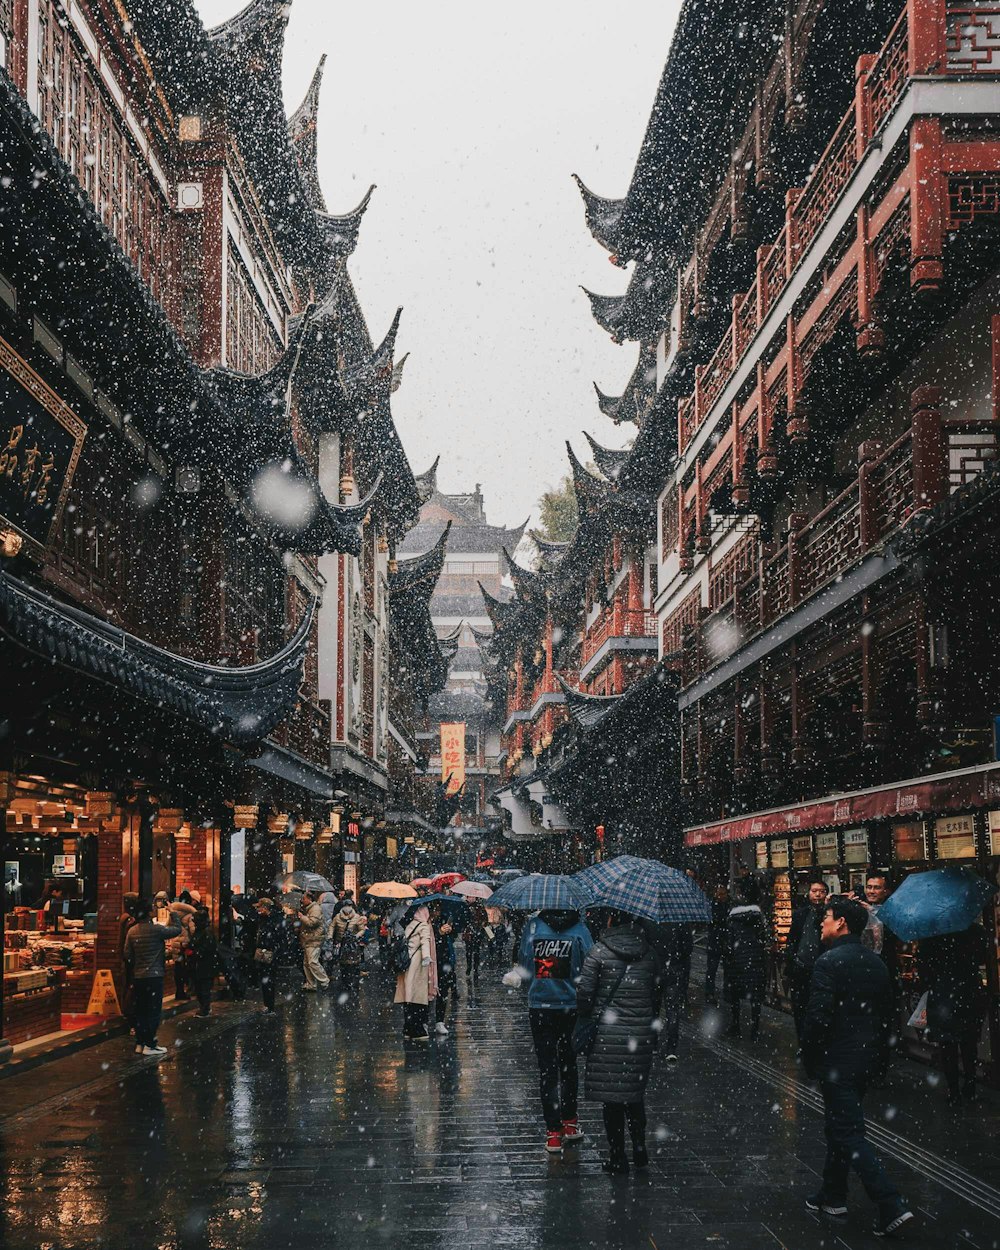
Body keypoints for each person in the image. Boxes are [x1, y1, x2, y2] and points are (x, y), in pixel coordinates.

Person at [801, 896, 913, 1238]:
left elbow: (817, 1018)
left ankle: (889, 1201)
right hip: (866, 1060)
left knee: (848, 1132)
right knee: (841, 1126)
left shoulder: (828, 963)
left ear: (842, 924)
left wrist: (810, 1056)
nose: (822, 923)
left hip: (838, 1061)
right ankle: (832, 1195)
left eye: (828, 917)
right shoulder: (876, 964)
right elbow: (887, 1018)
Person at [575, 910, 662, 1175]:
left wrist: (587, 1013)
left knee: (612, 1099)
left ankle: (617, 1155)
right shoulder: (651, 953)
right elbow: (657, 993)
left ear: (610, 920)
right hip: (640, 1034)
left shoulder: (598, 952)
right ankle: (639, 1148)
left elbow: (585, 995)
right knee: (634, 1095)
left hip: (607, 1035)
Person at [510, 908, 593, 1153]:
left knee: (547, 1068)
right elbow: (589, 963)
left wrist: (535, 983)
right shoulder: (579, 928)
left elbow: (525, 963)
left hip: (541, 1006)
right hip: (570, 1006)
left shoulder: (535, 927)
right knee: (568, 1064)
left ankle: (552, 1133)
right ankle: (569, 1121)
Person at [917, 923, 988, 1105]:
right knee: (968, 1041)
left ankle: (953, 1090)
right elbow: (983, 958)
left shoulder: (931, 934)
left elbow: (923, 966)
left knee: (947, 1044)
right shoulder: (975, 931)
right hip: (970, 990)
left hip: (943, 993)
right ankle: (970, 1084)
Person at [123, 899, 181, 1056]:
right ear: (149, 913)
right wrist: (173, 911)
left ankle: (140, 1043)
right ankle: (150, 1044)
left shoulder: (132, 931)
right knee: (153, 1011)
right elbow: (177, 930)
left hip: (139, 976)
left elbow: (127, 954)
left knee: (141, 1010)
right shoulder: (157, 930)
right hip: (154, 976)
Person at [722, 881, 767, 1040]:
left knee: (735, 996)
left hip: (737, 962)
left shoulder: (733, 919)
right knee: (755, 997)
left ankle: (736, 1025)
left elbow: (728, 943)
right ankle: (754, 1028)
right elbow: (763, 939)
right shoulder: (758, 918)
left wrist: (728, 957)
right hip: (755, 961)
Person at [785, 880, 829, 1040]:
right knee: (800, 1008)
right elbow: (792, 940)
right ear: (808, 893)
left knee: (819, 1008)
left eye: (822, 891)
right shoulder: (800, 914)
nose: (818, 894)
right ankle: (803, 1041)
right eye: (814, 891)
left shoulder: (830, 914)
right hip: (801, 968)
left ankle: (816, 1041)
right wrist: (792, 959)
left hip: (821, 969)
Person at [394, 904, 436, 1041]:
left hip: (406, 964)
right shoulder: (423, 926)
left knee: (408, 998)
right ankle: (417, 1031)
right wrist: (426, 957)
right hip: (417, 965)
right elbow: (425, 942)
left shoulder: (410, 924)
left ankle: (408, 1028)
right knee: (418, 998)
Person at [329, 899, 367, 995]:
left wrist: (356, 936)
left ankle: (352, 981)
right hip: (341, 943)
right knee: (343, 964)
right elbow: (332, 926)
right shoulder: (338, 917)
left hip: (352, 944)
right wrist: (330, 936)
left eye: (350, 905)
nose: (348, 907)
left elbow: (362, 929)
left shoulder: (357, 917)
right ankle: (345, 981)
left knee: (353, 964)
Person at [430, 902, 458, 1035]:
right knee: (427, 991)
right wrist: (438, 932)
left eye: (438, 909)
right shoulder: (426, 922)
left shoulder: (446, 918)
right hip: (429, 961)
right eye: (434, 909)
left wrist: (450, 931)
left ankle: (439, 1021)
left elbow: (453, 937)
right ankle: (424, 1021)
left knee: (443, 990)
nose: (437, 912)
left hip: (443, 961)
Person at [296, 888, 329, 991]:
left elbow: (312, 923)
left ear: (309, 899)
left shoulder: (315, 909)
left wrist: (302, 917)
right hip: (308, 939)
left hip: (314, 939)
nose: (302, 900)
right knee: (306, 963)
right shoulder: (309, 908)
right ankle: (311, 984)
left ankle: (324, 980)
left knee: (312, 962)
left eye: (304, 898)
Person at [252, 898, 281, 1013]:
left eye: (259, 907)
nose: (258, 909)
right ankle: (267, 1005)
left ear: (265, 907)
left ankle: (270, 1006)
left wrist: (275, 950)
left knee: (269, 980)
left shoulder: (274, 920)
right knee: (264, 979)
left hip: (270, 952)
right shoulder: (262, 919)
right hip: (262, 952)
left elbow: (278, 937)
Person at [188, 909, 219, 1016]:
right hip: (199, 965)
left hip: (205, 965)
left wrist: (194, 952)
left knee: (203, 988)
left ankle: (205, 1008)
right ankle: (204, 1007)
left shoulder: (206, 932)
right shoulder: (200, 931)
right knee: (199, 988)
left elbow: (207, 948)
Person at [705, 883, 729, 1005]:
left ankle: (724, 991)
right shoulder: (713, 906)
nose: (722, 896)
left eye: (723, 894)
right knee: (712, 969)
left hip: (722, 941)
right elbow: (714, 921)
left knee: (724, 969)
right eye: (720, 894)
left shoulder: (727, 905)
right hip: (715, 941)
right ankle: (710, 992)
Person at [464, 905, 486, 985]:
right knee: (468, 951)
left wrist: (481, 924)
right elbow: (463, 919)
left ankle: (475, 968)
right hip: (469, 933)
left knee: (476, 951)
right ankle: (469, 966)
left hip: (478, 933)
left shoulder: (480, 908)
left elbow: (484, 919)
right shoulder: (465, 907)